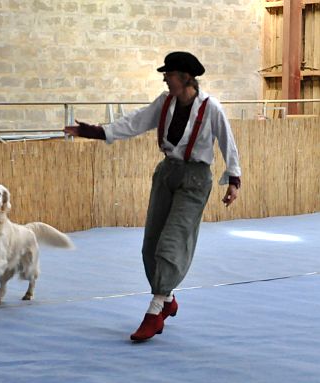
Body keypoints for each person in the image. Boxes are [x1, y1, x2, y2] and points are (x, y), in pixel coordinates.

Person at [64, 51, 242, 343]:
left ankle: (155, 310)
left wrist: (233, 180)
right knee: (151, 245)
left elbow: (227, 142)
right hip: (167, 173)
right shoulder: (165, 102)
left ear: (185, 77)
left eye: (169, 74)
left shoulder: (211, 108)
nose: (165, 79)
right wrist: (95, 132)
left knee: (172, 240)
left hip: (195, 179)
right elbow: (134, 122)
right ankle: (167, 298)